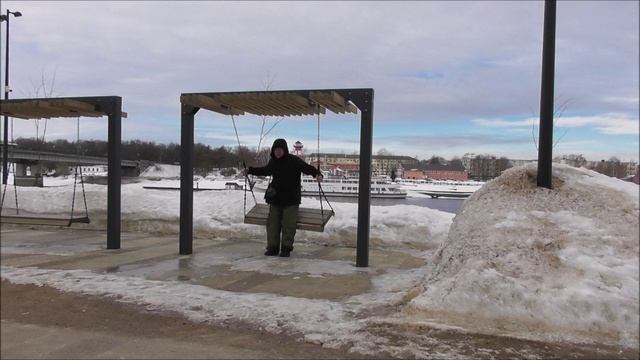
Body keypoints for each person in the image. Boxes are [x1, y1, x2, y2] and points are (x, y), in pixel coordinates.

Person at [245, 138, 323, 257]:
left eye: (280, 149)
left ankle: (286, 248)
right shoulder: (273, 162)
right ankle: (273, 248)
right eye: (276, 150)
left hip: (291, 199)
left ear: (285, 150)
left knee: (288, 225)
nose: (278, 152)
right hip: (276, 199)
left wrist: (317, 174)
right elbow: (265, 171)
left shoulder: (294, 160)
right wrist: (250, 170)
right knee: (272, 225)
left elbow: (307, 168)